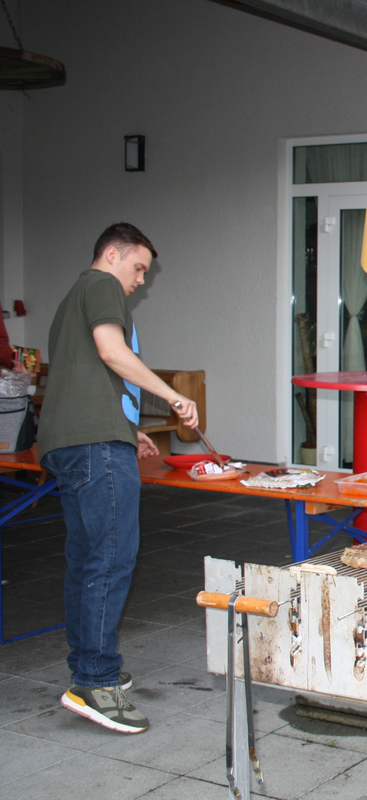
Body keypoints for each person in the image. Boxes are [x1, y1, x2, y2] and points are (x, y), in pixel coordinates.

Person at [39, 223, 199, 734]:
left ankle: (88, 664)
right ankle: (94, 679)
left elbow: (86, 373)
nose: (139, 281)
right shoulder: (101, 284)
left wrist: (127, 430)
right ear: (112, 254)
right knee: (110, 559)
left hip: (72, 441)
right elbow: (112, 351)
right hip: (93, 447)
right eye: (137, 269)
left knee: (87, 559)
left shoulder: (71, 298)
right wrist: (173, 397)